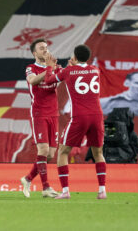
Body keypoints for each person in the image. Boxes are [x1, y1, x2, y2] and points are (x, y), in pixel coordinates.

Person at [44, 44, 107, 199]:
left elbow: (48, 81)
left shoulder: (68, 71)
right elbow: (81, 72)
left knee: (63, 151)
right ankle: (102, 190)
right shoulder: (95, 70)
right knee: (98, 153)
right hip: (97, 115)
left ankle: (65, 191)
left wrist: (49, 67)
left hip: (80, 116)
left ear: (75, 57)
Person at [20, 38, 60, 198]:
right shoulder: (31, 68)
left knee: (50, 154)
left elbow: (65, 79)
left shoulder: (55, 67)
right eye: (42, 48)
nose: (46, 50)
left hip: (54, 114)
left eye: (47, 47)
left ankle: (27, 178)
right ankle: (46, 188)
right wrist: (49, 69)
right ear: (34, 53)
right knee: (42, 150)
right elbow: (33, 81)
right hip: (39, 114)